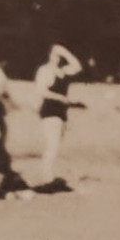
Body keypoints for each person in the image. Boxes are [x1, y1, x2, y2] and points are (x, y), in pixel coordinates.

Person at [34, 44, 84, 187]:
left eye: (58, 56)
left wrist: (64, 51)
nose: (57, 58)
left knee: (55, 144)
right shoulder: (44, 71)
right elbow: (41, 91)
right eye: (54, 55)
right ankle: (46, 176)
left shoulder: (63, 71)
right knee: (52, 144)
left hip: (61, 112)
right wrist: (60, 98)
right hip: (49, 110)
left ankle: (48, 174)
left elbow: (77, 66)